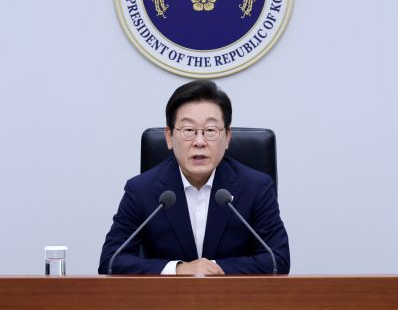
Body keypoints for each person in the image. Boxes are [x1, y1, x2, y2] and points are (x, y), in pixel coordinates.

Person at [98, 80, 289, 275]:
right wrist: (179, 269)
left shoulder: (256, 187)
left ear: (227, 137)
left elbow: (278, 260)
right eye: (188, 130)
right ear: (169, 137)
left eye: (210, 130)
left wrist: (211, 269)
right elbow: (111, 261)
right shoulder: (141, 190)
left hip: (235, 295)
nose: (199, 142)